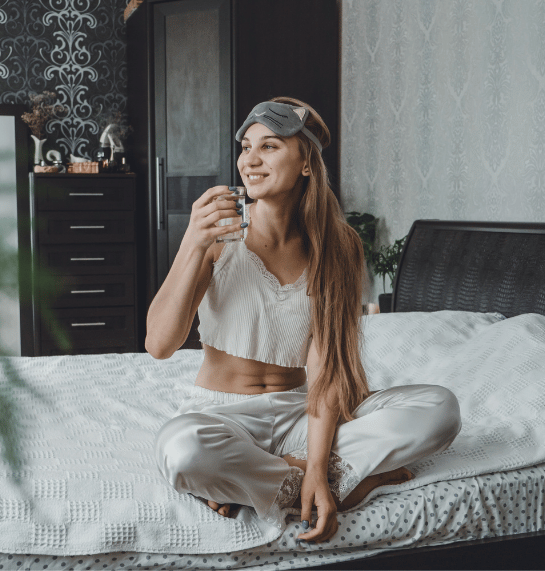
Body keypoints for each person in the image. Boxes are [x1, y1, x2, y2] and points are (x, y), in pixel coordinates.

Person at [146, 97, 461, 543]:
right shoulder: (217, 233)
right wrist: (192, 244)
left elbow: (327, 369)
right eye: (246, 147)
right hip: (224, 416)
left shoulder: (339, 247)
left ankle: (272, 482)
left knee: (439, 408)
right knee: (182, 449)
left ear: (307, 164)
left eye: (270, 147)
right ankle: (342, 483)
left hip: (303, 414)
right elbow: (158, 344)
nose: (250, 161)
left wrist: (314, 466)